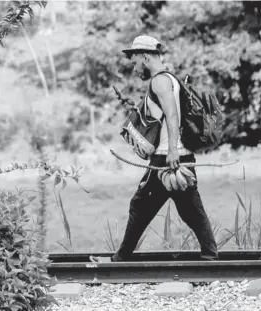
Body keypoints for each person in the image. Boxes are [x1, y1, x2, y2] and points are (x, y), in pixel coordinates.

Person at [91, 35, 218, 262]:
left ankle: (119, 259)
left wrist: (171, 151)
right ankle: (210, 257)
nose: (134, 68)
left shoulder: (159, 81)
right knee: (190, 209)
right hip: (178, 155)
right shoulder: (171, 79)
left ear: (146, 57)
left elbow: (172, 114)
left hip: (166, 158)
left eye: (135, 62)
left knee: (140, 205)